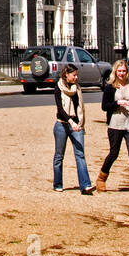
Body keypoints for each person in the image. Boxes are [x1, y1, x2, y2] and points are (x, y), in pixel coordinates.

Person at [98, 59, 129, 196]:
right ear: (115, 71)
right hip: (116, 123)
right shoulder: (110, 86)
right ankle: (102, 178)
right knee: (114, 153)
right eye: (119, 71)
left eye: (124, 71)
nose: (121, 73)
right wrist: (117, 102)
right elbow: (104, 106)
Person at [53, 63, 95, 194]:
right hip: (62, 124)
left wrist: (80, 123)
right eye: (74, 75)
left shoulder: (77, 88)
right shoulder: (58, 88)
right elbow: (60, 109)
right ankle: (58, 183)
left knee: (80, 154)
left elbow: (80, 107)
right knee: (59, 156)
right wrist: (71, 122)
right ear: (66, 75)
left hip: (77, 124)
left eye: (77, 75)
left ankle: (85, 185)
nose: (76, 78)